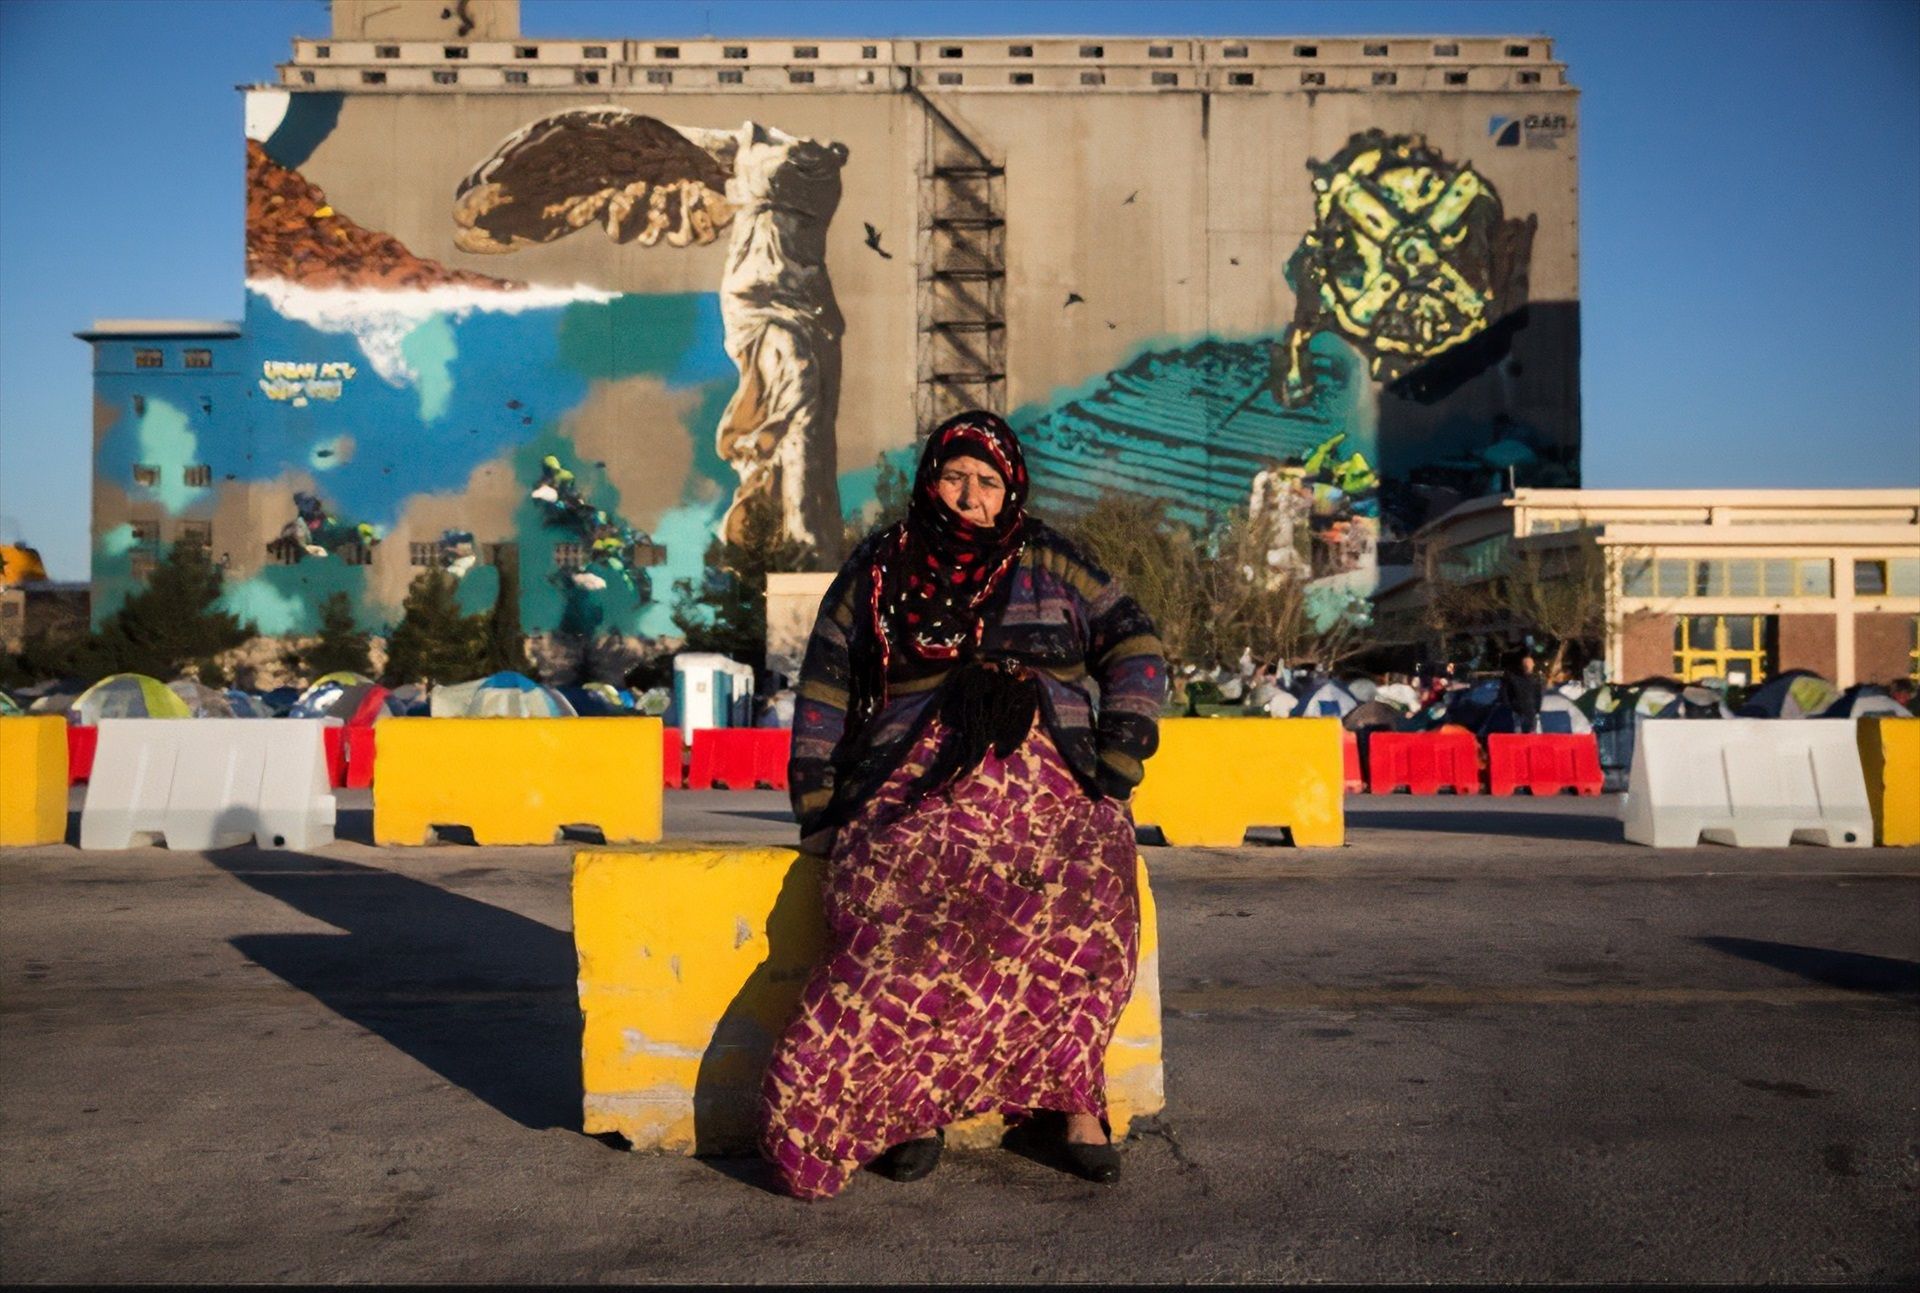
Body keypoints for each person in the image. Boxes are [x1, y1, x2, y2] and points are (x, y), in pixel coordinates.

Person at [763, 411, 1166, 1201]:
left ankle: (1077, 1105)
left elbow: (1136, 645)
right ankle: (912, 1113)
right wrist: (818, 809)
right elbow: (825, 686)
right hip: (915, 792)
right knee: (906, 935)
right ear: (929, 480)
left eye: (988, 482)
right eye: (955, 477)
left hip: (1056, 795)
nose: (970, 496)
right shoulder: (882, 568)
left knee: (1091, 920)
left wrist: (1116, 762)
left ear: (1011, 489)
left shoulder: (1054, 558)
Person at [1502, 651, 1544, 733]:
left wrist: (1538, 710)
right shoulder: (1514, 679)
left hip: (1531, 712)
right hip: (1518, 711)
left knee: (1531, 733)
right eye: (1526, 664)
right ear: (1522, 665)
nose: (1529, 666)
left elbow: (1538, 695)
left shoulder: (1536, 680)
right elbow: (1506, 694)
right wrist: (1512, 707)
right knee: (1519, 733)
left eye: (1530, 664)